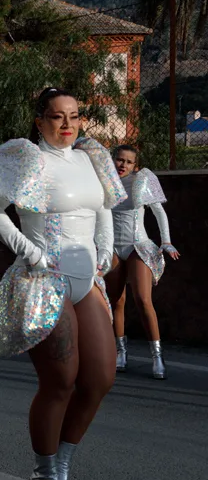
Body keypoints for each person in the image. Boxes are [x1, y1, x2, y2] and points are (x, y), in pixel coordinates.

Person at [0, 87, 125, 480]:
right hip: (44, 279)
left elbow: (104, 207)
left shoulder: (92, 157)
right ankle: (43, 477)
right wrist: (30, 251)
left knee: (100, 378)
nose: (67, 124)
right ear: (40, 121)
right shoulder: (27, 158)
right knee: (61, 380)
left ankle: (62, 471)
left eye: (74, 115)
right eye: (57, 117)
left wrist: (105, 250)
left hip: (87, 279)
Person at [104, 144, 180, 380]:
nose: (123, 165)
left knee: (142, 299)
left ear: (135, 165)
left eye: (128, 162)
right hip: (112, 247)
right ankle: (121, 352)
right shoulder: (104, 182)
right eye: (119, 159)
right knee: (116, 301)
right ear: (112, 160)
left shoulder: (141, 180)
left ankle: (157, 356)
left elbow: (159, 212)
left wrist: (166, 241)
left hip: (138, 245)